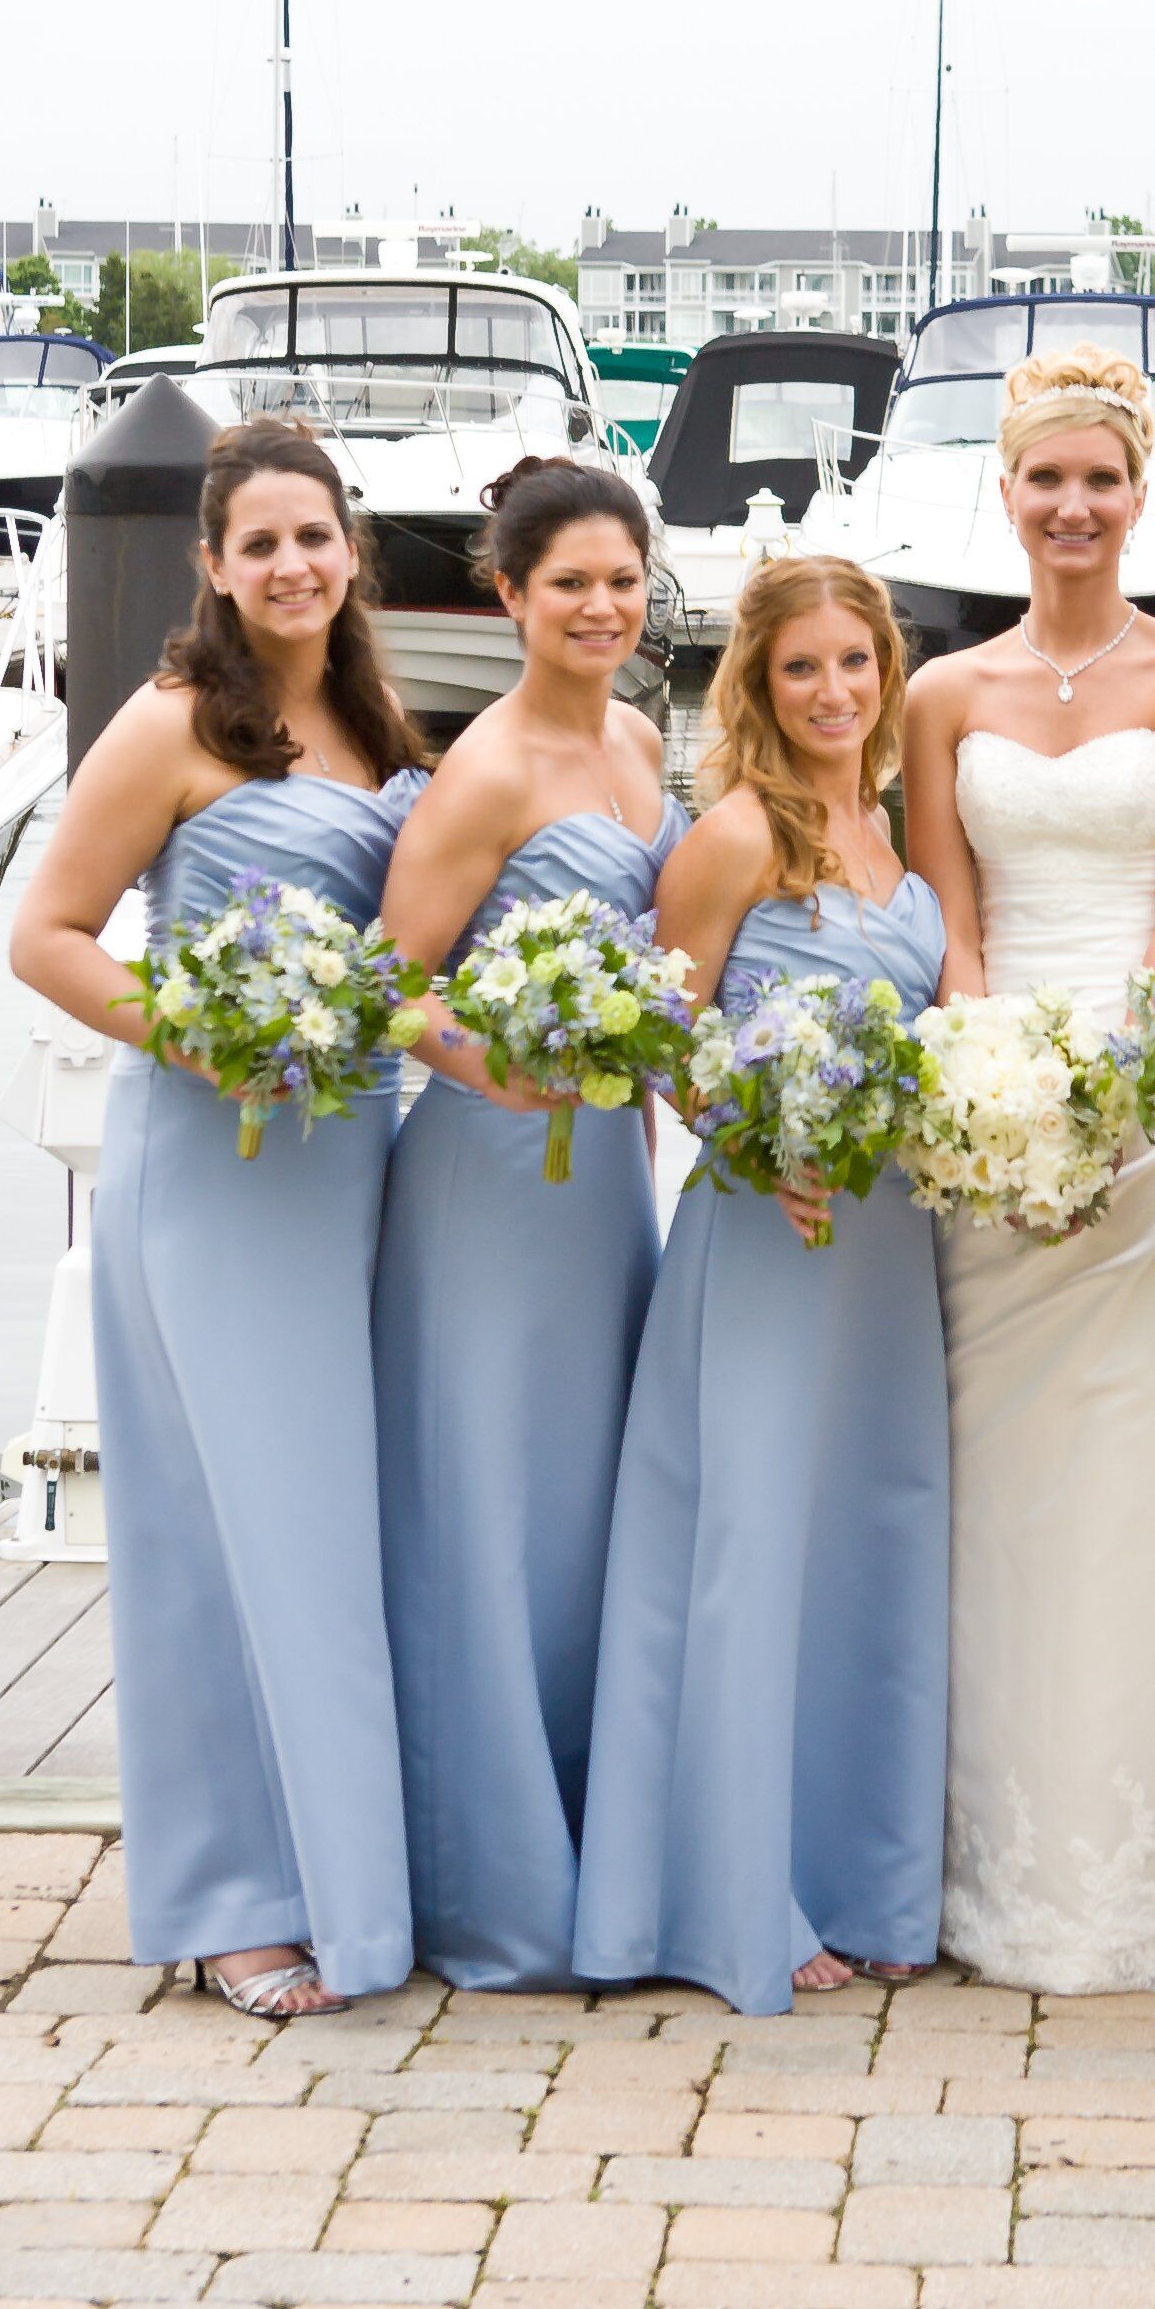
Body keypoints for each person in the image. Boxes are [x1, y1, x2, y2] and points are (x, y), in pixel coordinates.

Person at [10, 420, 427, 2019]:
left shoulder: (371, 721)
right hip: (221, 1161)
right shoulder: (178, 718)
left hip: (350, 1162)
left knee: (329, 1533)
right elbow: (47, 938)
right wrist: (194, 1029)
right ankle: (236, 1902)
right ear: (211, 567)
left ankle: (344, 1876)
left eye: (313, 538)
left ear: (350, 549)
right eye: (259, 545)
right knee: (231, 1533)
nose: (292, 567)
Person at [902, 344, 1155, 1990]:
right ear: (1004, 495)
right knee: (1003, 1485)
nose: (1073, 506)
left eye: (1101, 479)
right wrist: (991, 1093)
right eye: (1045, 479)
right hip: (998, 1121)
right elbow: (953, 931)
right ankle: (976, 1844)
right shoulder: (940, 697)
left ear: (1144, 498)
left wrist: (1128, 1088)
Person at [574, 557, 950, 2011]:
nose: (835, 691)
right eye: (803, 668)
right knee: (750, 1549)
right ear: (757, 683)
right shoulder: (736, 837)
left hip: (887, 1246)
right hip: (771, 1230)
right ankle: (740, 1893)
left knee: (863, 1538)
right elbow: (660, 1041)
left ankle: (862, 1874)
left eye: (855, 662)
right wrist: (757, 1131)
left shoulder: (892, 829)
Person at [373, 459, 678, 1988]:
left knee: (580, 1517)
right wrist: (494, 1063)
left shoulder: (637, 738)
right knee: (486, 1517)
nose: (602, 606)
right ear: (508, 596)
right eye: (570, 583)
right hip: (493, 1178)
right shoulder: (484, 770)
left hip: (606, 1184)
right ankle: (486, 1884)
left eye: (622, 580)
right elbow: (385, 979)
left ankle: (585, 1844)